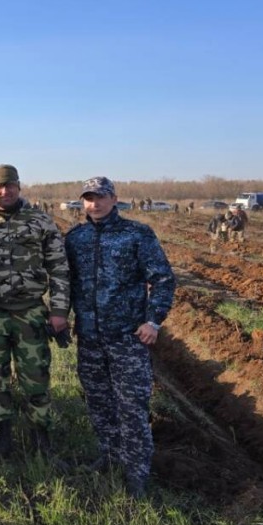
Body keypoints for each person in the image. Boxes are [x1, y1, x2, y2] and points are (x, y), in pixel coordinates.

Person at [65, 176, 176, 498]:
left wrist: (153, 321)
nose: (94, 204)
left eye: (100, 197)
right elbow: (67, 283)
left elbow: (163, 279)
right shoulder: (76, 238)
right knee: (99, 402)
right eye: (88, 198)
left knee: (132, 406)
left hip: (127, 337)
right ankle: (109, 454)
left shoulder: (136, 234)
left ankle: (137, 470)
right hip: (89, 337)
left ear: (114, 199)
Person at [0, 164, 71, 461]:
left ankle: (43, 439)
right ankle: (3, 438)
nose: (5, 192)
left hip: (30, 312)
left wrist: (59, 311)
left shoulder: (42, 222)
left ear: (19, 186)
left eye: (10, 185)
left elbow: (60, 269)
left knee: (35, 377)